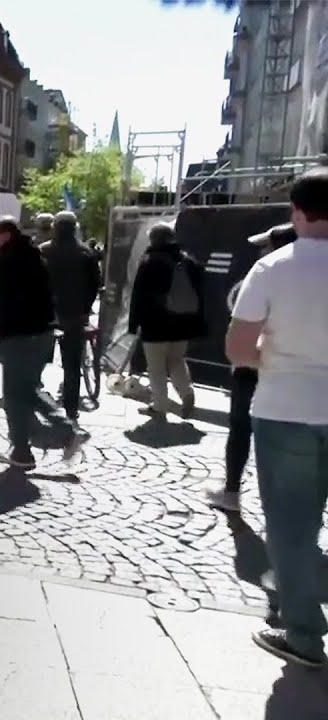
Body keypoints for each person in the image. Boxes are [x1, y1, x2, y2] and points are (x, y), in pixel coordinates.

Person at [226, 168, 328, 668]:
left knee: (291, 527)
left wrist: (278, 353)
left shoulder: (272, 268)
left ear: (297, 212)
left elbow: (238, 349)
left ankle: (305, 634)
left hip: (286, 409)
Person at [207, 223, 298, 512]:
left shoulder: (266, 274)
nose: (261, 250)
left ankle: (232, 492)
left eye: (266, 245)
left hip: (256, 366)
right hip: (293, 371)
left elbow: (242, 329)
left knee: (241, 429)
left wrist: (247, 357)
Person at [0, 217, 87, 469]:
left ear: (5, 235)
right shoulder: (34, 255)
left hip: (18, 333)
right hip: (42, 331)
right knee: (24, 390)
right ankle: (23, 449)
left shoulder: (9, 260)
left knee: (19, 392)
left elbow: (5, 299)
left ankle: (63, 432)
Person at [128, 222, 207, 418]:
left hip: (155, 324)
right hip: (182, 323)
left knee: (156, 367)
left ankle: (160, 405)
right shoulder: (187, 261)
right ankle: (187, 393)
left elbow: (139, 295)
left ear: (153, 239)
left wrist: (134, 323)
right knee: (177, 360)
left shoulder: (150, 261)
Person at [41, 210, 104, 421]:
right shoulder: (85, 253)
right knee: (72, 363)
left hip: (46, 313)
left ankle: (36, 400)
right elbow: (96, 283)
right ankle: (70, 406)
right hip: (75, 314)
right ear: (75, 227)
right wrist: (86, 307)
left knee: (37, 359)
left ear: (55, 228)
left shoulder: (44, 251)